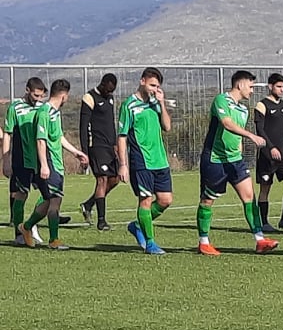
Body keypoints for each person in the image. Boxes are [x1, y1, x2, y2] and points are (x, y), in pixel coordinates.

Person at [196, 70, 278, 256]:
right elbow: (227, 124)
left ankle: (260, 240)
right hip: (215, 159)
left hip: (235, 161)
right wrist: (251, 136)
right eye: (250, 86)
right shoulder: (221, 100)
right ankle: (204, 242)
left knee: (249, 197)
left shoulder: (243, 109)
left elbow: (237, 136)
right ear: (240, 85)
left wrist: (240, 152)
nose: (252, 91)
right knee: (207, 200)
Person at [17, 79, 88, 250]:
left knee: (49, 201)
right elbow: (40, 140)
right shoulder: (44, 112)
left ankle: (26, 227)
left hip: (56, 162)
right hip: (49, 162)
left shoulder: (55, 113)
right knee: (55, 201)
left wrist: (76, 152)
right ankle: (54, 240)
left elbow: (58, 136)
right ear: (63, 95)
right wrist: (44, 165)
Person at [117, 67, 173, 255]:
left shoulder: (155, 103)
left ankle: (137, 225)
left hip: (160, 160)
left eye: (157, 86)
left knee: (165, 200)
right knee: (146, 200)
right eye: (152, 85)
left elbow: (167, 127)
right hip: (141, 161)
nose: (154, 89)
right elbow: (122, 136)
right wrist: (123, 165)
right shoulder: (129, 106)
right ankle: (150, 243)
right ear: (142, 81)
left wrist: (162, 104)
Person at [254, 73, 283, 233]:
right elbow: (260, 129)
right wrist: (271, 147)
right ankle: (264, 223)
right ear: (270, 86)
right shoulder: (262, 105)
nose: (281, 90)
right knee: (265, 188)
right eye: (279, 87)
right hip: (267, 156)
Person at [2, 77, 47, 245]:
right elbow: (8, 134)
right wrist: (6, 160)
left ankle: (30, 224)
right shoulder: (15, 108)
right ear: (27, 90)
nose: (38, 99)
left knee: (49, 194)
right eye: (36, 95)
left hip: (40, 159)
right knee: (21, 194)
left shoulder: (43, 108)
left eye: (41, 96)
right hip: (21, 159)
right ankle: (19, 234)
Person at [79, 73, 119, 230]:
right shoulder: (89, 98)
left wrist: (115, 144)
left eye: (112, 91)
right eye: (108, 90)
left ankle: (89, 204)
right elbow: (83, 127)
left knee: (115, 179)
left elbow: (110, 123)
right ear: (102, 85)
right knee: (102, 179)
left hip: (110, 146)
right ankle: (101, 221)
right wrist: (84, 153)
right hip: (96, 146)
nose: (109, 93)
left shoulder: (110, 98)